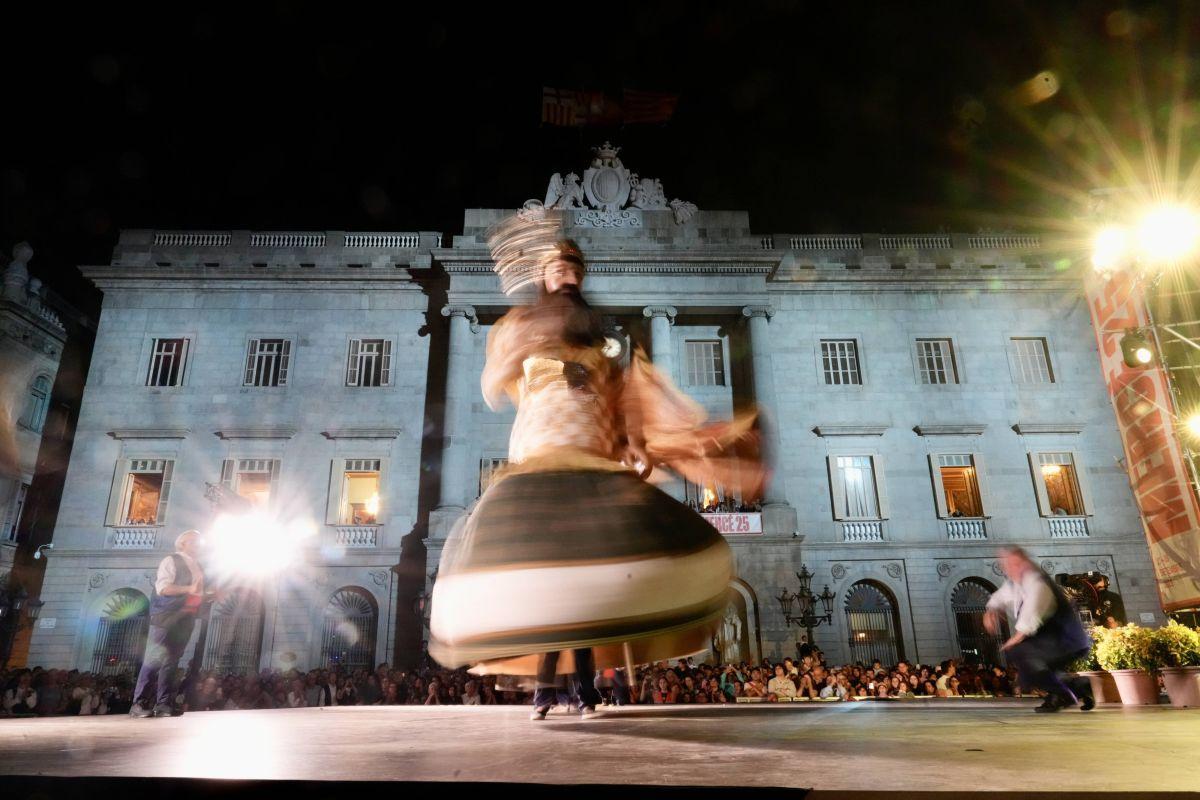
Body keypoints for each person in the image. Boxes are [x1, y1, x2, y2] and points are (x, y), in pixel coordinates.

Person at [430, 230, 764, 723]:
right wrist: (519, 346)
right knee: (547, 592)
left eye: (573, 272)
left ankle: (582, 693)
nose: (566, 276)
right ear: (544, 280)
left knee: (583, 591)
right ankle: (546, 692)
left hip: (589, 461)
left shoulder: (601, 349)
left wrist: (634, 443)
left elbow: (624, 405)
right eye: (557, 270)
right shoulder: (525, 332)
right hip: (540, 457)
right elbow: (492, 380)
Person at [985, 545, 1094, 713]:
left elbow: (1031, 615)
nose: (1007, 569)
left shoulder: (1037, 583)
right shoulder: (1016, 584)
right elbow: (1000, 596)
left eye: (1012, 564)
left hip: (1066, 641)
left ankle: (1062, 693)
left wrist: (1014, 640)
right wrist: (991, 609)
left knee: (1020, 653)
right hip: (1050, 642)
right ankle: (1077, 687)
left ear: (1024, 563)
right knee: (1030, 665)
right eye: (1005, 565)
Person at [131, 530, 205, 718]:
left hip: (185, 618)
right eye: (194, 541)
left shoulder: (198, 566)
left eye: (200, 542)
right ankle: (138, 703)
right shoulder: (171, 561)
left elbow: (197, 595)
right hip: (166, 615)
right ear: (182, 544)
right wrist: (189, 588)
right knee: (154, 658)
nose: (198, 544)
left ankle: (163, 704)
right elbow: (163, 588)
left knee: (172, 662)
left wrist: (210, 596)